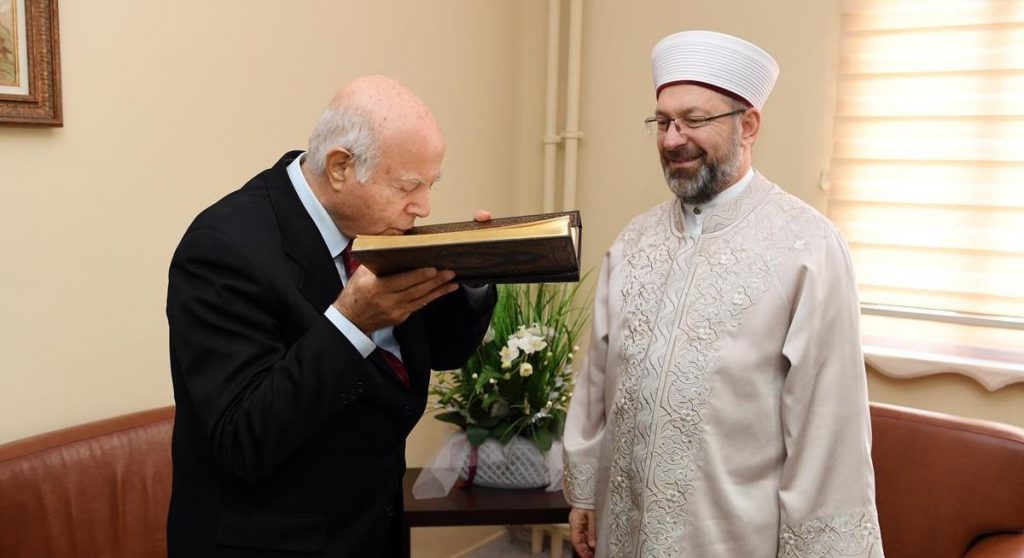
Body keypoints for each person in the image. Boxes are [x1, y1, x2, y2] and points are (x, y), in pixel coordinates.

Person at [562, 30, 883, 558]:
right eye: (663, 122)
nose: (672, 140)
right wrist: (583, 494)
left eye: (693, 120)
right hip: (626, 532)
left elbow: (827, 429)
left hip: (733, 540)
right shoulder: (635, 243)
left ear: (748, 125)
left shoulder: (808, 247)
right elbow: (598, 379)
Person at [165, 75, 496, 557]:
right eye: (409, 186)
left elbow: (439, 352)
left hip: (371, 531)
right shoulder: (222, 248)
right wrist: (349, 323)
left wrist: (474, 276)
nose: (424, 207)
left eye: (431, 184)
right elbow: (243, 439)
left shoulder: (380, 228)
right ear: (340, 167)